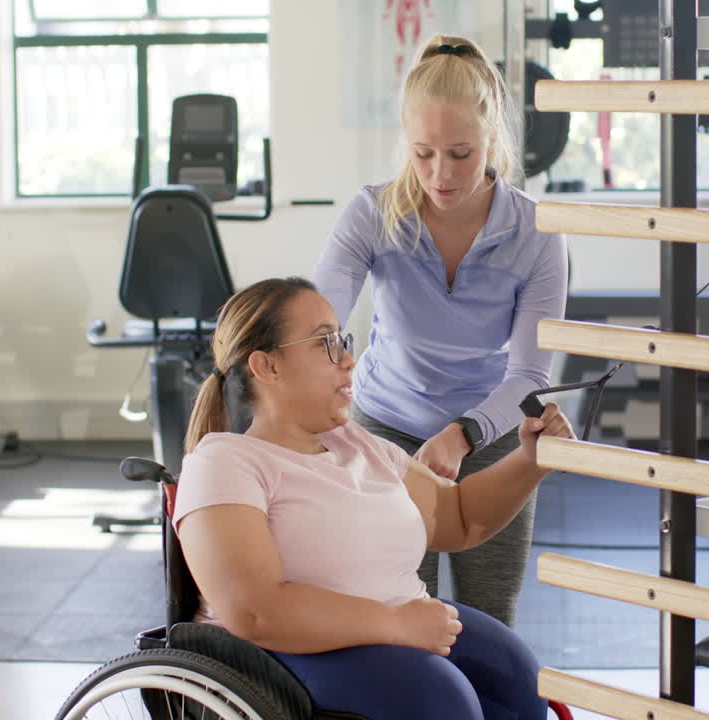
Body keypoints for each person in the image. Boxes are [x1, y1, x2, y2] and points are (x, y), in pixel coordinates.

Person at [173, 277, 574, 720]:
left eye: (343, 341)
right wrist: (394, 624)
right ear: (267, 367)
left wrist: (532, 460)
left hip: (395, 625)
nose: (349, 360)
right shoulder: (225, 462)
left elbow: (458, 517)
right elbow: (255, 611)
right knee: (440, 700)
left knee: (514, 676)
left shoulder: (356, 444)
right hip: (279, 651)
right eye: (326, 344)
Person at [314, 34, 569, 626]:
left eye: (461, 153)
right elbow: (319, 324)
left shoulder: (538, 232)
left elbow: (530, 374)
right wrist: (319, 393)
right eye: (424, 153)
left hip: (492, 429)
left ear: (491, 140)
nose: (440, 174)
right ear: (406, 140)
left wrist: (462, 436)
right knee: (400, 606)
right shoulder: (373, 215)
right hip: (384, 428)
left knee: (490, 613)